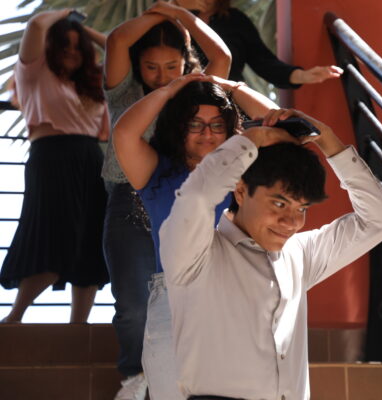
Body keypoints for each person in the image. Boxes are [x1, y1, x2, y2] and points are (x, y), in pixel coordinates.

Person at [159, 108, 382, 399]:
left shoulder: (299, 255)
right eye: (279, 203)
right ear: (240, 191)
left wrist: (329, 142)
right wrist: (254, 139)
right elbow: (197, 196)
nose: (291, 222)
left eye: (302, 208)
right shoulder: (193, 253)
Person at [112, 72, 278, 399]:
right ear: (178, 127)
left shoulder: (243, 171)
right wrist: (170, 90)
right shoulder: (156, 173)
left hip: (238, 297)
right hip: (174, 301)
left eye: (217, 124)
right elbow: (124, 132)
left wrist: (232, 88)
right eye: (195, 124)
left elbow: (283, 126)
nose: (207, 133)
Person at [101, 2, 231, 398]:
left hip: (182, 204)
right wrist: (162, 12)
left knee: (187, 300)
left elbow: (223, 58)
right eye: (152, 67)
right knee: (132, 303)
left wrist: (182, 17)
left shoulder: (193, 93)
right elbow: (117, 40)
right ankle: (134, 376)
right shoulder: (124, 92)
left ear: (185, 60)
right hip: (128, 202)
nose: (162, 76)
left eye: (172, 66)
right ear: (137, 65)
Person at [0, 10, 109, 323]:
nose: (72, 51)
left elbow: (120, 50)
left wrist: (83, 31)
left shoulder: (91, 83)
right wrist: (66, 16)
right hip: (52, 158)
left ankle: (79, 326)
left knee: (90, 241)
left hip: (91, 160)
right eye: (65, 45)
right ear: (51, 47)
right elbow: (36, 25)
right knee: (52, 234)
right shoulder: (34, 74)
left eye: (77, 46)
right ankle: (15, 317)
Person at [175, 0, 343, 88]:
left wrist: (303, 75)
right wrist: (176, 7)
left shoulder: (234, 20)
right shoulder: (170, 17)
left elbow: (264, 63)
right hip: (178, 101)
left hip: (228, 103)